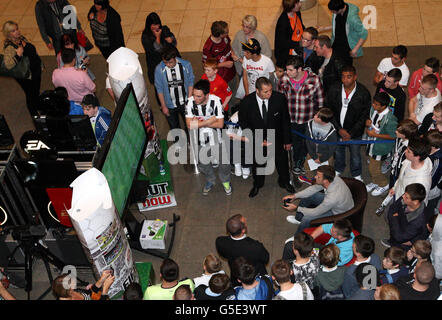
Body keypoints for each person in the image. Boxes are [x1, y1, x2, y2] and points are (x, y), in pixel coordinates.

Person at [238, 77, 294, 198]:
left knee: (282, 162)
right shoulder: (246, 102)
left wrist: (287, 140)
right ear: (257, 90)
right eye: (265, 91)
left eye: (270, 90)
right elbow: (244, 124)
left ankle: (285, 182)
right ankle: (258, 184)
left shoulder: (279, 98)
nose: (269, 93)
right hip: (258, 140)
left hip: (277, 138)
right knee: (258, 164)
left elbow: (285, 120)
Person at [277, 55, 324, 175]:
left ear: (299, 69)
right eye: (287, 69)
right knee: (295, 142)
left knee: (307, 143)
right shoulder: (283, 80)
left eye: (290, 70)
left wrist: (318, 119)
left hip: (307, 119)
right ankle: (297, 161)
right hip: (291, 119)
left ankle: (302, 162)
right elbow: (280, 101)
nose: (287, 72)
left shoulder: (314, 80)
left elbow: (320, 102)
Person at [185, 79, 231, 195]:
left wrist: (199, 123)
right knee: (203, 164)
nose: (195, 98)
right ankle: (210, 180)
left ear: (207, 95)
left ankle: (225, 181)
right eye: (194, 95)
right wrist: (210, 120)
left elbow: (220, 124)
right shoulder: (190, 102)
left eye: (199, 96)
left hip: (217, 138)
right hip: (199, 140)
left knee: (224, 163)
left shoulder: (216, 101)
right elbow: (189, 125)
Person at [326, 65, 371, 181]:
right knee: (338, 151)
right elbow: (329, 110)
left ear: (355, 77)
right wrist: (339, 129)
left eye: (349, 77)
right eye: (343, 77)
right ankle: (339, 169)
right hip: (337, 130)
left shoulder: (363, 93)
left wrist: (350, 133)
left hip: (354, 133)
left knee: (355, 154)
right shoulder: (334, 89)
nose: (345, 80)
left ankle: (356, 173)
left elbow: (364, 116)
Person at [283, 165, 354, 234]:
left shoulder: (332, 198)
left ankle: (298, 238)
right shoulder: (333, 178)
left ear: (325, 181)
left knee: (307, 218)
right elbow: (314, 189)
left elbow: (315, 212)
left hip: (339, 212)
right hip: (338, 202)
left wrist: (296, 209)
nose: (315, 177)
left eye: (318, 176)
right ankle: (298, 219)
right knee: (310, 195)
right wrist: (295, 196)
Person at [375, 120, 419, 216]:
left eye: (399, 131)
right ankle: (390, 197)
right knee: (392, 185)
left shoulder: (410, 149)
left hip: (400, 173)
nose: (396, 131)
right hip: (394, 169)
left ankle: (395, 206)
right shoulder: (398, 139)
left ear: (406, 135)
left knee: (398, 190)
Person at [215, 214, 269, 286]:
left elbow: (223, 254)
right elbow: (265, 258)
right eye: (245, 222)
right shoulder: (256, 247)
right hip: (254, 276)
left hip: (236, 276)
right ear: (243, 230)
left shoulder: (220, 241)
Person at [2, 20, 42, 117]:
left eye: (17, 29)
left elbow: (32, 52)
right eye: (14, 31)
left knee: (36, 90)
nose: (17, 31)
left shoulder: (21, 38)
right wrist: (18, 55)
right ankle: (34, 114)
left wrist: (40, 63)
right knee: (30, 93)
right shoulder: (9, 48)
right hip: (25, 76)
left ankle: (37, 104)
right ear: (8, 33)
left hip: (35, 70)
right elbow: (8, 65)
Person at [154, 46, 194, 138]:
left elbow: (190, 82)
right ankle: (180, 143)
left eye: (170, 62)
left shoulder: (186, 65)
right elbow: (159, 88)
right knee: (174, 127)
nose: (168, 65)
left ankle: (190, 140)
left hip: (184, 102)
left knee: (190, 124)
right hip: (169, 104)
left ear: (175, 57)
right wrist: (163, 105)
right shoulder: (159, 69)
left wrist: (189, 100)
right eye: (165, 62)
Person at [364, 92, 398, 197]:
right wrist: (368, 123)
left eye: (376, 104)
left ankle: (383, 184)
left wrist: (375, 135)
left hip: (379, 147)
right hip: (371, 143)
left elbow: (393, 136)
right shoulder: (374, 110)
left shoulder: (390, 119)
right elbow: (370, 120)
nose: (373, 106)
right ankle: (375, 181)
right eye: (373, 103)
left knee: (373, 168)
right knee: (372, 165)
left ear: (383, 106)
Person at [319, 0, 368, 67]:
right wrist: (324, 28)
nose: (332, 12)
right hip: (336, 41)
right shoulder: (338, 9)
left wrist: (355, 49)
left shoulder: (353, 18)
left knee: (346, 64)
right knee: (334, 59)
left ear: (340, 9)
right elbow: (337, 25)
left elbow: (364, 33)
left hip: (347, 44)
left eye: (333, 11)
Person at [383, 183, 429, 250]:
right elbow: (392, 208)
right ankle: (391, 242)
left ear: (415, 202)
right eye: (404, 194)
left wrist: (394, 218)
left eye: (406, 197)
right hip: (398, 231)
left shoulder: (419, 220)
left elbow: (399, 237)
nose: (403, 196)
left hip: (402, 244)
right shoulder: (407, 196)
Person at [389, 138, 433, 207]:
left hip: (404, 206)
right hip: (398, 195)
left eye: (408, 151)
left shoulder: (422, 182)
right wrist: (395, 188)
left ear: (417, 157)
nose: (405, 151)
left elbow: (417, 205)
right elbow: (402, 176)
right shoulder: (410, 160)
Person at [141, 12, 178, 87]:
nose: (156, 27)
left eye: (157, 24)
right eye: (154, 25)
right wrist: (157, 37)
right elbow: (157, 51)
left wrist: (171, 39)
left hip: (169, 60)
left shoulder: (164, 29)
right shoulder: (146, 37)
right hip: (156, 63)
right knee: (160, 85)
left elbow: (174, 42)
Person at [302, 108, 337, 183]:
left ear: (323, 120)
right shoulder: (310, 124)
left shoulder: (331, 131)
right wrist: (314, 156)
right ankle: (310, 179)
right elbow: (307, 141)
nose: (314, 116)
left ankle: (327, 181)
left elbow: (332, 148)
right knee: (307, 166)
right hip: (312, 151)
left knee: (327, 170)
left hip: (326, 154)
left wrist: (322, 159)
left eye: (317, 116)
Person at [231, 15, 272, 79]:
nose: (244, 29)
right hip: (241, 68)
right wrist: (235, 56)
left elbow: (267, 55)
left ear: (253, 27)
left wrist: (243, 61)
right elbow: (233, 48)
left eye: (247, 27)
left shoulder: (261, 38)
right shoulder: (239, 34)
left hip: (257, 70)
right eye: (243, 26)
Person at [342, 234, 382, 298]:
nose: (352, 245)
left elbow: (346, 290)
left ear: (358, 254)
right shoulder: (376, 257)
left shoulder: (350, 271)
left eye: (353, 246)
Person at [202, 21, 235, 85]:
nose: (228, 33)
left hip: (229, 66)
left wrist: (232, 53)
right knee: (222, 85)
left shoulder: (225, 37)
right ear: (220, 34)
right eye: (226, 32)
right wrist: (224, 64)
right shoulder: (208, 48)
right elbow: (207, 65)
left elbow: (229, 45)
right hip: (220, 72)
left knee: (232, 78)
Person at [274, 0, 304, 68]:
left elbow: (300, 26)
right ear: (292, 7)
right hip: (288, 55)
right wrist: (299, 44)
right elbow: (283, 42)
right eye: (298, 3)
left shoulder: (297, 13)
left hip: (298, 48)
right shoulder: (283, 22)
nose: (300, 4)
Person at [424, 130, 442, 219]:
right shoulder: (431, 152)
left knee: (428, 209)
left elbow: (432, 181)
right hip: (427, 185)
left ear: (433, 146)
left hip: (431, 191)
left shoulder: (437, 160)